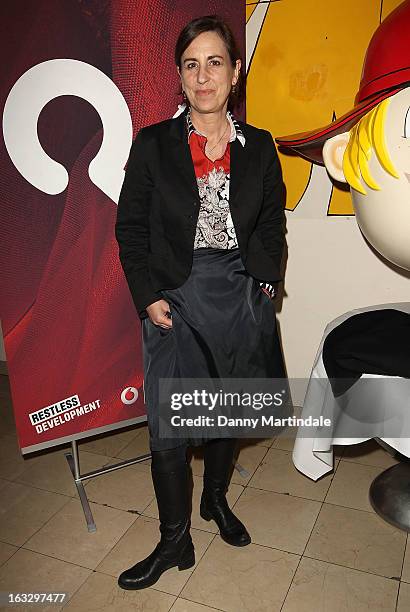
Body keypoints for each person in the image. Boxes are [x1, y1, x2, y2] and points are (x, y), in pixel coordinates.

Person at [114, 14, 287, 590]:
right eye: (191, 65)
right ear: (180, 78)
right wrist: (147, 298)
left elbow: (270, 226)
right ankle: (173, 541)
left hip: (237, 292)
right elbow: (130, 228)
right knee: (168, 424)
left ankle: (215, 500)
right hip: (175, 299)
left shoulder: (259, 148)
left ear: (235, 73)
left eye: (215, 62)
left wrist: (267, 280)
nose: (203, 75)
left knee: (224, 412)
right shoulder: (153, 145)